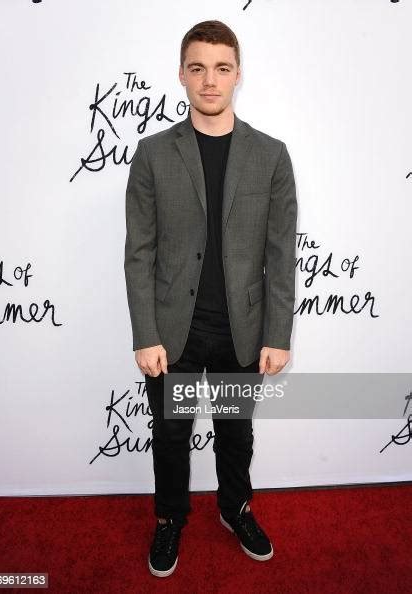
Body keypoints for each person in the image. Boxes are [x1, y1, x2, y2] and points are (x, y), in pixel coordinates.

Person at [124, 20, 297, 577]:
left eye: (221, 68)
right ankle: (170, 518)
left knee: (234, 433)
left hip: (241, 331)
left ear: (238, 75)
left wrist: (277, 335)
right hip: (174, 332)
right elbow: (139, 252)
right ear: (181, 74)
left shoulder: (271, 156)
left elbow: (280, 253)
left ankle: (234, 507)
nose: (209, 80)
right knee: (171, 436)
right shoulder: (152, 155)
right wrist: (146, 333)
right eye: (197, 67)